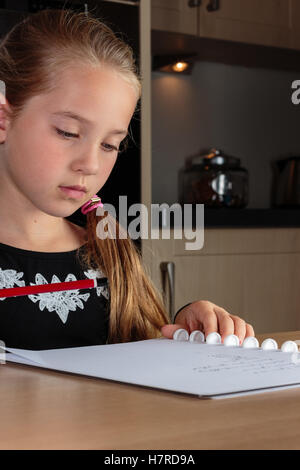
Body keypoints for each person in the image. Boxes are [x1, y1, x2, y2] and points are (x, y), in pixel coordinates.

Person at [0, 8, 254, 350]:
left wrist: (183, 332)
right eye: (68, 132)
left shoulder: (110, 256)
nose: (90, 164)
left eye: (109, 145)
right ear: (4, 118)